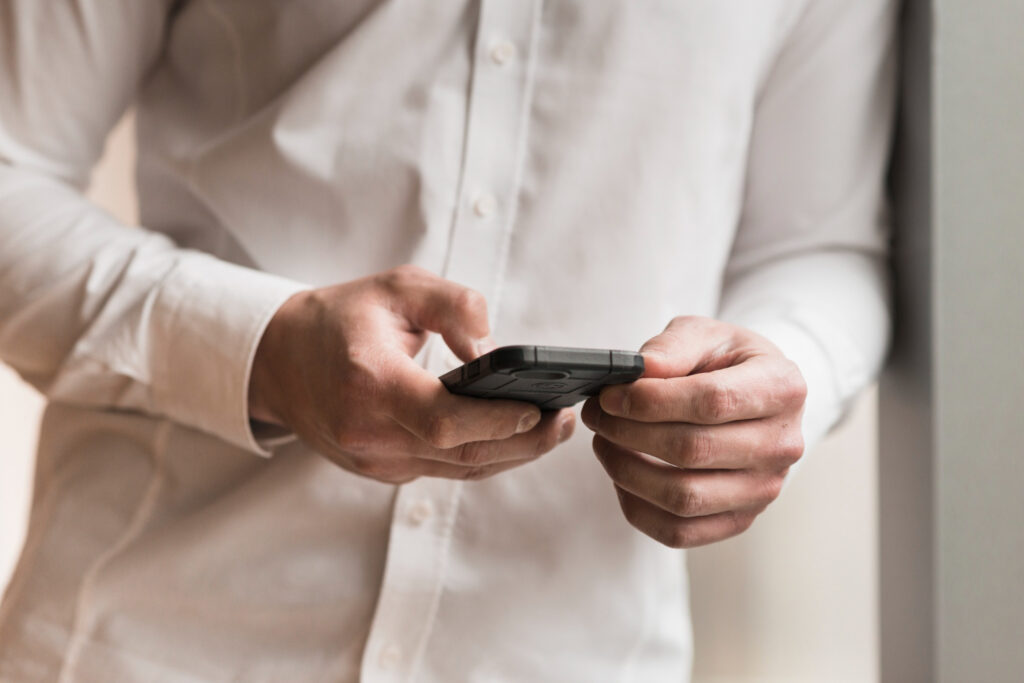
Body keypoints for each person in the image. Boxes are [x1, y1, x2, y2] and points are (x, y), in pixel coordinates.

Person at [0, 0, 897, 680]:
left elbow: (818, 245)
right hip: (142, 641)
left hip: (569, 650)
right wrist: (262, 350)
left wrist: (783, 378)